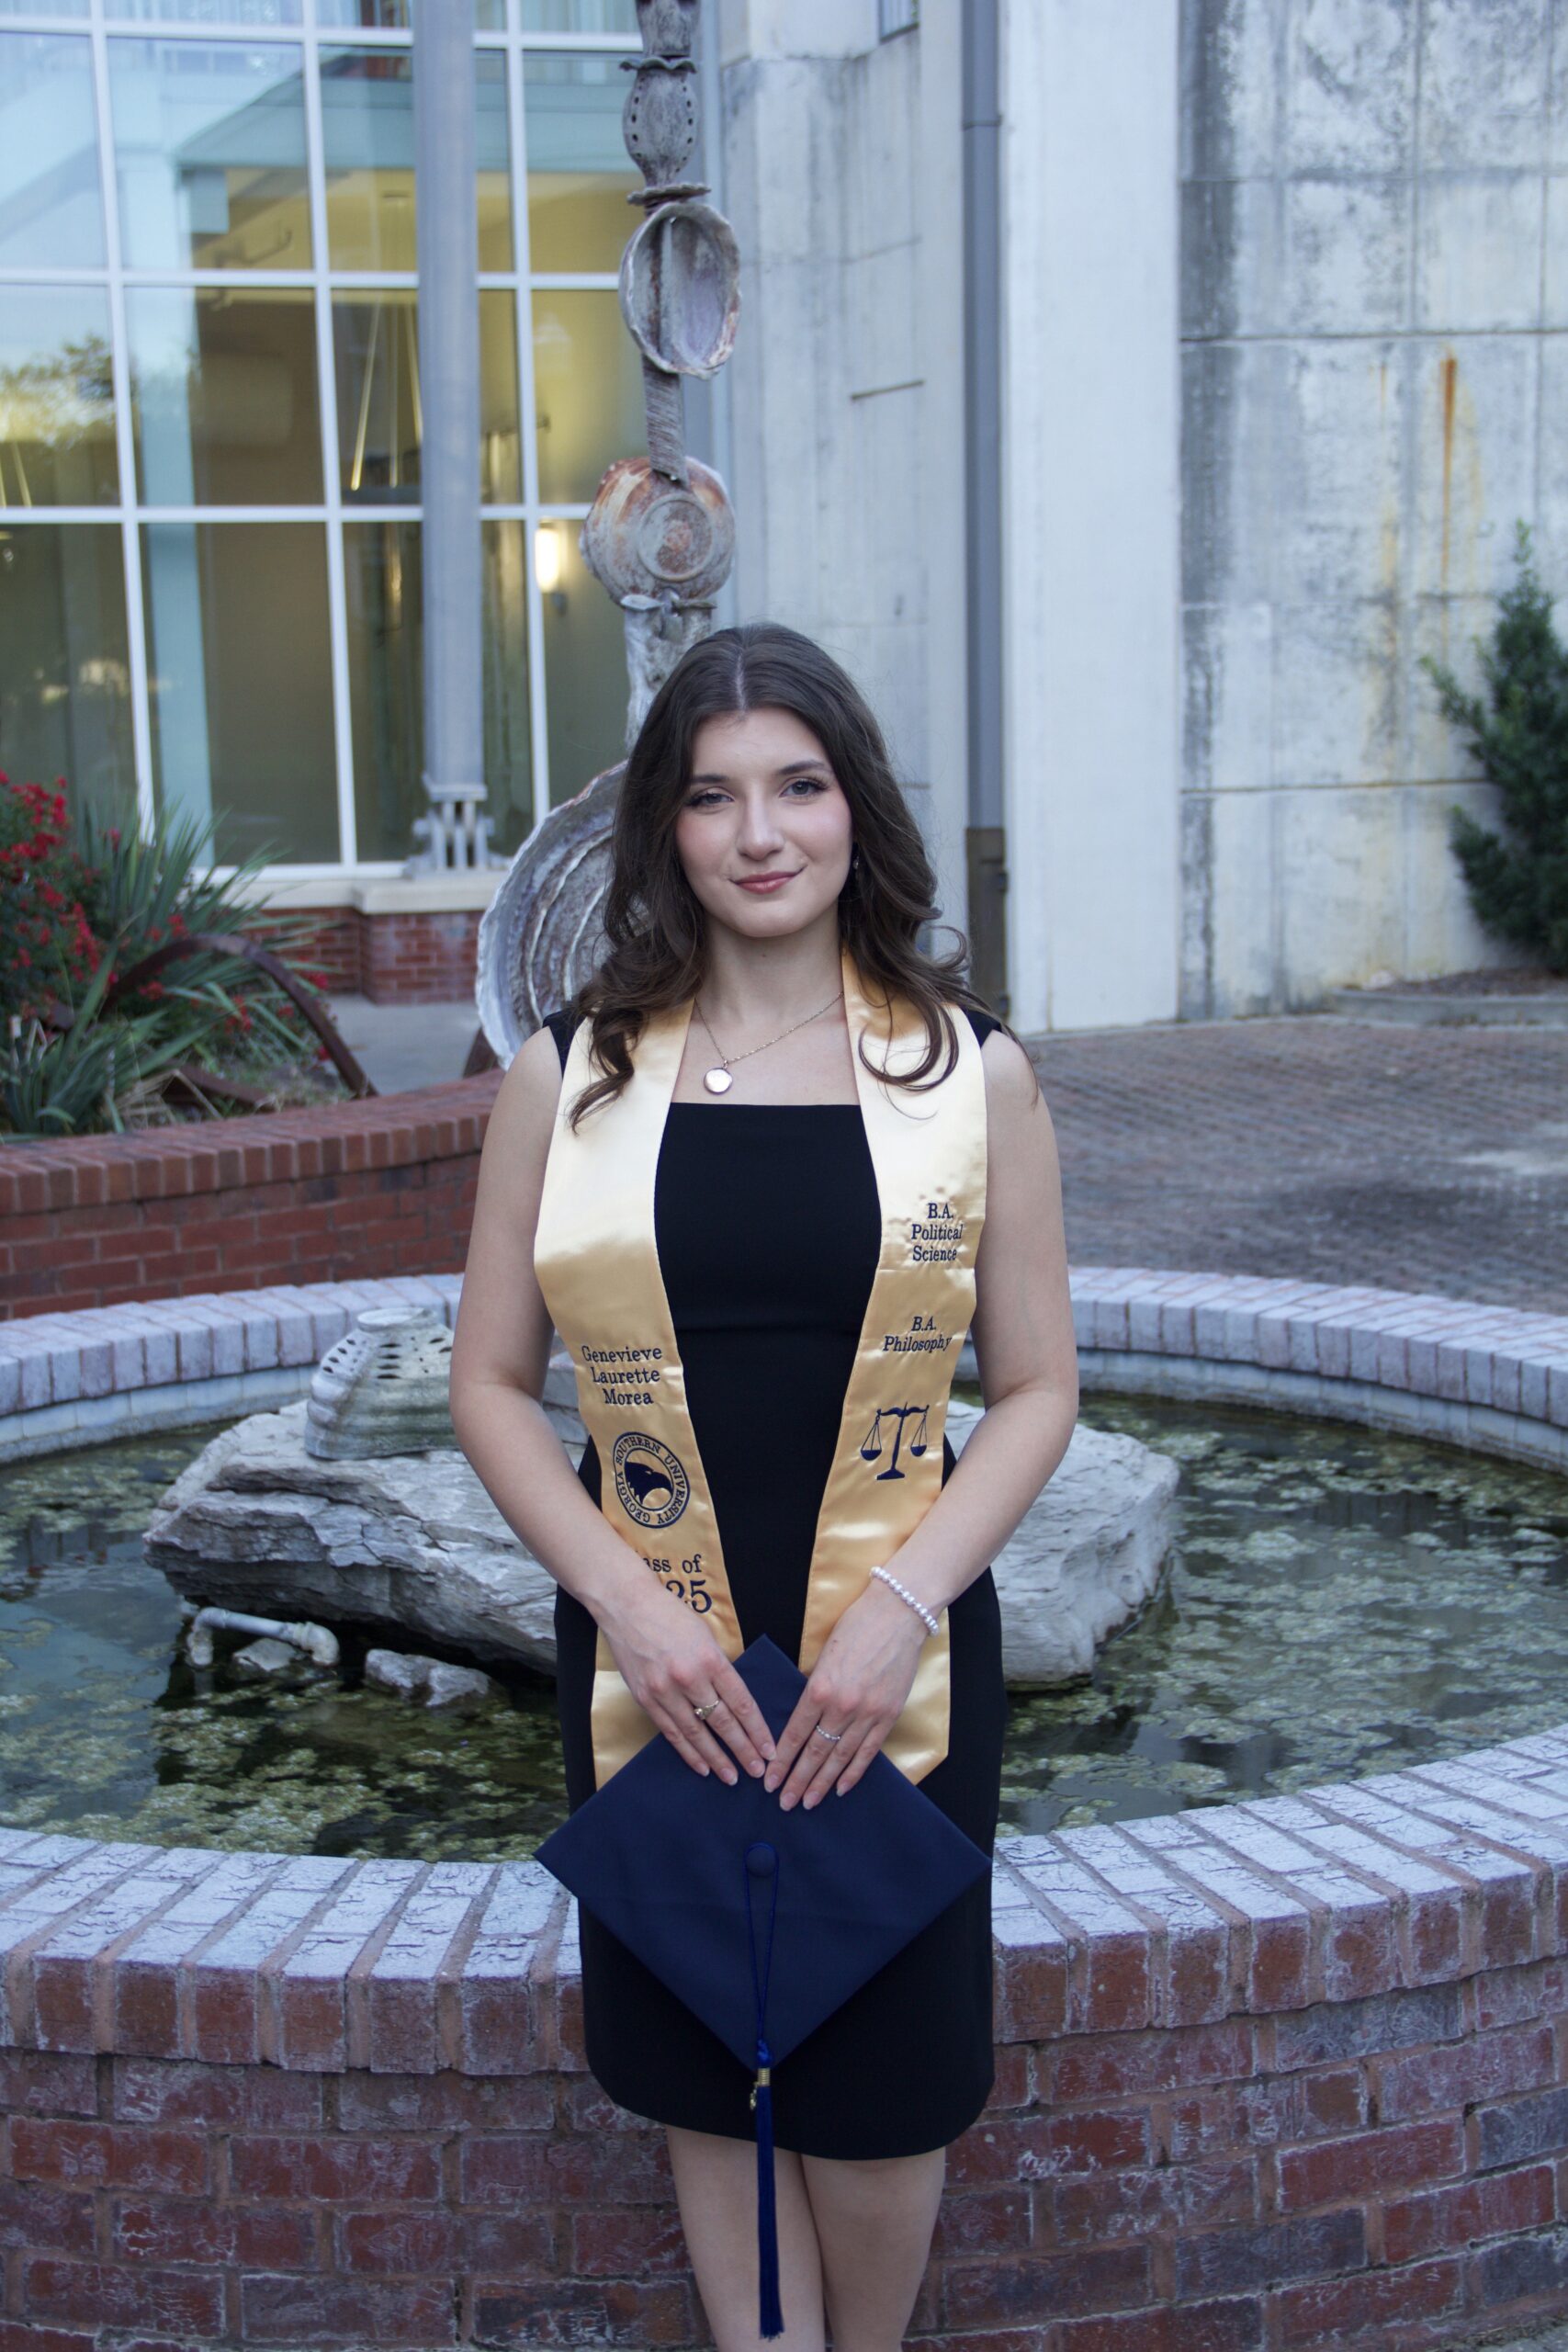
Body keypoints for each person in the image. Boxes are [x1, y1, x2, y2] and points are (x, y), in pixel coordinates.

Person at [449, 620, 1077, 2352]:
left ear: (854, 810)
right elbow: (490, 1389)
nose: (761, 832)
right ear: (664, 829)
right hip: (667, 1657)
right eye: (715, 796)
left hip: (899, 1660)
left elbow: (1036, 1393)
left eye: (798, 786)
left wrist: (898, 1612)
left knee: (883, 2073)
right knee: (708, 2061)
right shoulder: (568, 1080)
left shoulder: (967, 1077)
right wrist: (630, 1614)